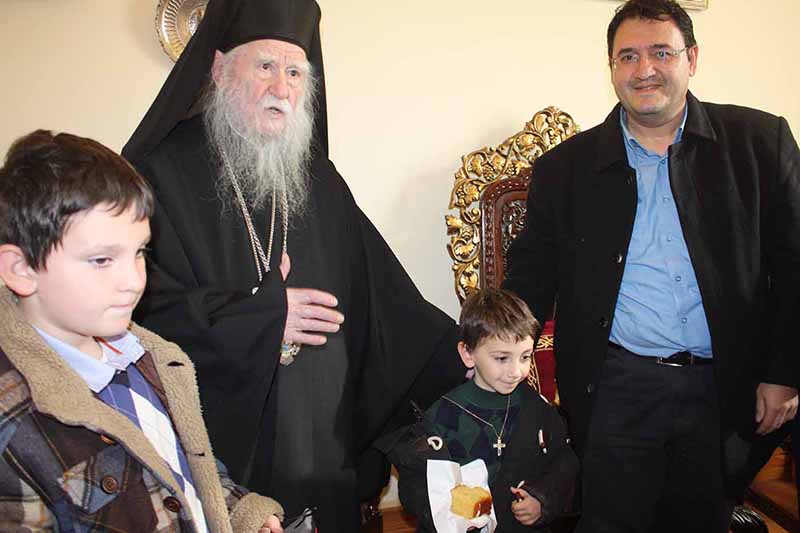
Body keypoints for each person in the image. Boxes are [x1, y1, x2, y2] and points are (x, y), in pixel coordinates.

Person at [122, 0, 466, 529]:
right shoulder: (159, 175)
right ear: (219, 68)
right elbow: (140, 311)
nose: (281, 88)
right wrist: (258, 320)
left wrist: (466, 353)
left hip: (321, 454)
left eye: (295, 73)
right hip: (227, 463)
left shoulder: (319, 180)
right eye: (265, 66)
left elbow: (387, 303)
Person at [501, 0, 800, 531]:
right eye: (628, 56)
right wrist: (489, 348)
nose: (645, 69)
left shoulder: (759, 143)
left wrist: (783, 372)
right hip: (616, 387)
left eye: (662, 52)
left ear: (692, 58)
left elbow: (796, 266)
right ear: (611, 67)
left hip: (724, 386)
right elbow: (530, 277)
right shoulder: (564, 169)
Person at [0, 130, 284, 532]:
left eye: (139, 252)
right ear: (21, 269)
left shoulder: (150, 358)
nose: (134, 281)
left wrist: (241, 513)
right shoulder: (12, 424)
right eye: (102, 260)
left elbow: (182, 472)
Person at [381, 288, 578, 532]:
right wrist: (450, 514)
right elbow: (416, 486)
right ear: (468, 354)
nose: (516, 371)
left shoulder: (537, 408)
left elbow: (564, 462)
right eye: (502, 358)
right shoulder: (441, 417)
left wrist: (542, 499)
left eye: (525, 357)